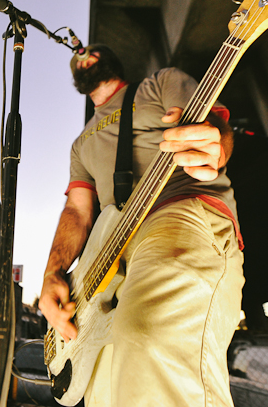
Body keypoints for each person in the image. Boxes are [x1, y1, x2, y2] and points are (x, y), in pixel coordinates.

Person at [38, 45, 245, 406]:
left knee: (149, 338)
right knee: (108, 393)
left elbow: (213, 127)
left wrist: (212, 142)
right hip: (108, 252)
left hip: (176, 207)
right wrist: (52, 272)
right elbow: (77, 209)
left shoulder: (159, 83)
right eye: (78, 57)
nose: (83, 54)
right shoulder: (79, 143)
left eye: (92, 50)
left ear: (112, 59)